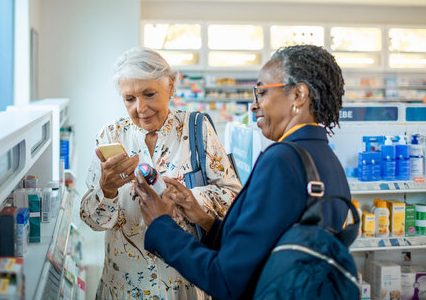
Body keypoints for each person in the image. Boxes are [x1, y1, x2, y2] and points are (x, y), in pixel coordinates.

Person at [135, 45, 352, 300]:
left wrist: (161, 225)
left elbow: (226, 280)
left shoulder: (282, 160)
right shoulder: (328, 160)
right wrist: (204, 219)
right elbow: (265, 249)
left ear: (298, 94)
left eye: (261, 92)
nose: (253, 105)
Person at [80, 47, 242, 300]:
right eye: (129, 99)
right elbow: (92, 221)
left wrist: (191, 199)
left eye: (149, 94)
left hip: (185, 284)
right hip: (124, 286)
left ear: (171, 86)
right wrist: (107, 189)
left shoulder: (197, 129)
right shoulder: (111, 136)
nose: (140, 108)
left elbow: (233, 198)